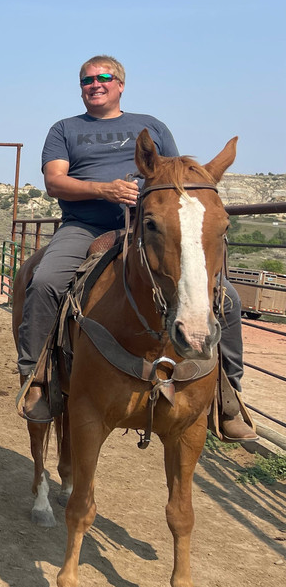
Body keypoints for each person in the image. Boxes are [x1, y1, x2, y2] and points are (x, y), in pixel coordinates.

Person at [17, 56, 256, 441]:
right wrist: (103, 189)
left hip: (149, 227)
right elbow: (55, 182)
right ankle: (37, 378)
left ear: (121, 84)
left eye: (104, 78)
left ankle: (228, 393)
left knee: (225, 295)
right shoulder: (64, 129)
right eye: (87, 80)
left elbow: (177, 177)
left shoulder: (153, 127)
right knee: (45, 279)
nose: (95, 84)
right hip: (86, 225)